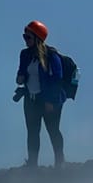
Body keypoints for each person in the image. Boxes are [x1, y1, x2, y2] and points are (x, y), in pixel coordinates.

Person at [15, 20, 67, 168]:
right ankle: (32, 165)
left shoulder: (51, 56)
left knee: (53, 131)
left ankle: (60, 161)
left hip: (49, 101)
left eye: (28, 37)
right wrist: (20, 78)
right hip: (31, 100)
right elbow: (21, 72)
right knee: (32, 133)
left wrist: (51, 100)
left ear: (37, 38)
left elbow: (57, 78)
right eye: (24, 37)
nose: (25, 40)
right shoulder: (25, 54)